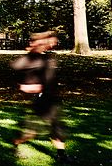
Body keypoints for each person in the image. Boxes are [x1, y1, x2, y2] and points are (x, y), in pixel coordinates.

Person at [10, 31, 70, 163]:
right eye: (47, 41)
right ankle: (15, 143)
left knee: (58, 127)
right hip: (38, 100)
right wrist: (29, 88)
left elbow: (51, 78)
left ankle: (62, 155)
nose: (52, 44)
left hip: (52, 99)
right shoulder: (24, 61)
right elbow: (19, 84)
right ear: (33, 43)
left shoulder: (48, 58)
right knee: (32, 133)